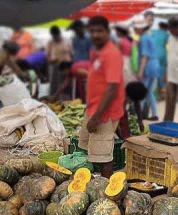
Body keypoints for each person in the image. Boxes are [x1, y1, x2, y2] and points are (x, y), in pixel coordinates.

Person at [78, 16, 125, 178]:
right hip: (93, 109)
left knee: (104, 156)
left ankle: (106, 194)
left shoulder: (112, 54)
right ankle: (93, 182)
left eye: (99, 31)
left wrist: (96, 117)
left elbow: (112, 88)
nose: (95, 34)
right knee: (87, 146)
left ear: (107, 32)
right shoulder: (96, 52)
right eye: (92, 31)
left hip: (105, 113)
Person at [133, 16, 160, 121]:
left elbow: (145, 56)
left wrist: (140, 71)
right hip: (155, 66)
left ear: (140, 28)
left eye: (136, 28)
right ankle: (155, 113)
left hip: (148, 67)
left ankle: (137, 116)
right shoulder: (148, 36)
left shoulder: (144, 38)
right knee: (149, 92)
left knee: (142, 91)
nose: (135, 30)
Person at [69, 20, 93, 102]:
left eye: (77, 29)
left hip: (86, 65)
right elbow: (74, 51)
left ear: (82, 28)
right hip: (76, 65)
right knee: (79, 88)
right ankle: (81, 102)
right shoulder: (74, 38)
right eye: (75, 30)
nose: (76, 32)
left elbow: (91, 52)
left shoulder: (89, 38)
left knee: (87, 86)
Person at [46, 26, 72, 96]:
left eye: (56, 36)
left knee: (65, 83)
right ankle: (53, 99)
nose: (55, 38)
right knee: (54, 83)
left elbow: (71, 54)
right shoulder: (50, 42)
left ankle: (64, 99)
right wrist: (52, 60)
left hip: (66, 66)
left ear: (59, 34)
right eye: (54, 36)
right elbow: (48, 56)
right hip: (55, 66)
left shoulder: (66, 41)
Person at [152, 22, 169, 98]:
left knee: (152, 73)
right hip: (162, 54)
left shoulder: (153, 32)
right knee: (161, 73)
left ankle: (152, 92)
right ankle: (159, 93)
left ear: (159, 26)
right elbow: (167, 44)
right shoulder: (167, 34)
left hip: (153, 53)